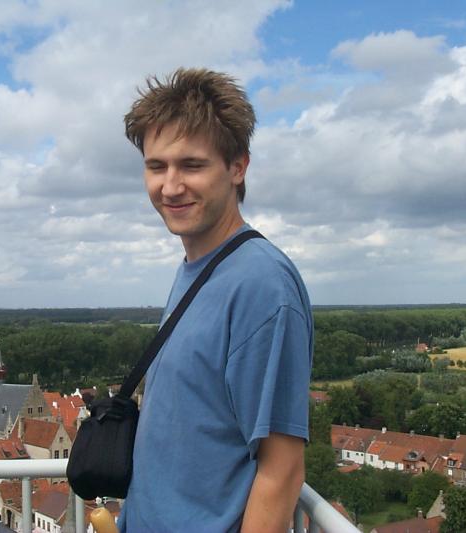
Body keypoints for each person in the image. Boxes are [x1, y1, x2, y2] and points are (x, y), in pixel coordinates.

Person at [119, 68, 313, 532]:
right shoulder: (198, 267)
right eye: (156, 166)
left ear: (238, 167)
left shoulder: (262, 284)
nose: (169, 186)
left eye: (192, 165)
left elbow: (282, 470)